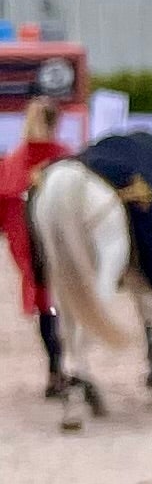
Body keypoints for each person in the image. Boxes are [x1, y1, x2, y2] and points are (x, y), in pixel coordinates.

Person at [1, 89, 69, 397]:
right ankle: (62, 366)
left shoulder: (15, 161)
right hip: (65, 252)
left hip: (31, 254)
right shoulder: (67, 157)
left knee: (47, 309)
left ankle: (55, 367)